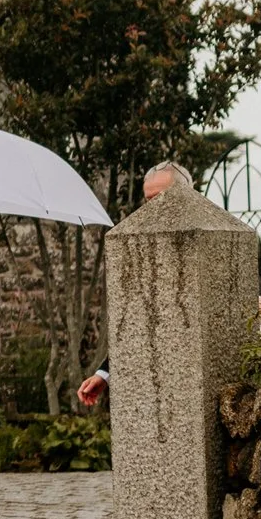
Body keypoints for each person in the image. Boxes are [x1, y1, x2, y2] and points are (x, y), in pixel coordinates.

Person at [75, 162, 193, 407]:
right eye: (148, 200)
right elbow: (134, 326)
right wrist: (104, 375)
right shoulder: (141, 250)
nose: (153, 208)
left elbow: (247, 286)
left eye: (160, 198)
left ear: (187, 196)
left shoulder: (211, 233)